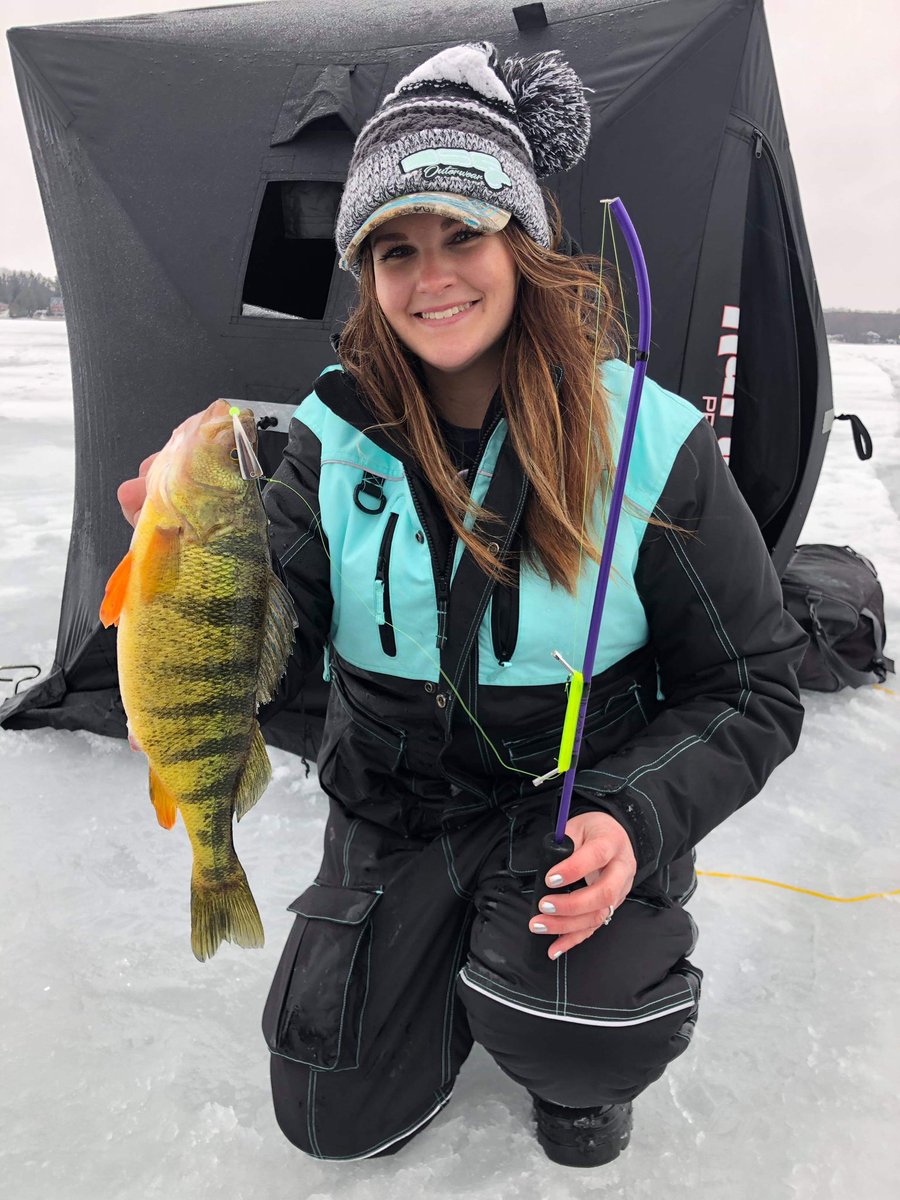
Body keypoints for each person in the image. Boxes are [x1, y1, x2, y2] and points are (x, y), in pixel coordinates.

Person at [118, 42, 807, 1169]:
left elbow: (754, 682)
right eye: (396, 247)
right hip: (398, 810)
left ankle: (557, 1020)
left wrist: (633, 819)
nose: (431, 274)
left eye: (463, 233)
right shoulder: (327, 441)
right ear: (367, 271)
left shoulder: (651, 441)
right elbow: (265, 638)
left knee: (578, 1019)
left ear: (522, 242)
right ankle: (427, 966)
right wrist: (188, 566)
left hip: (566, 804)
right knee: (326, 1113)